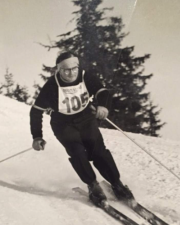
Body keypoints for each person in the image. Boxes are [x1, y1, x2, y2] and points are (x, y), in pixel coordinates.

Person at [30, 51, 134, 206]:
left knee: (98, 151)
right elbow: (36, 111)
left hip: (86, 120)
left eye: (74, 68)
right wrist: (37, 136)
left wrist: (103, 106)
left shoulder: (86, 77)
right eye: (66, 70)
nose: (71, 73)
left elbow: (103, 92)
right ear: (59, 70)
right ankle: (93, 185)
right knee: (77, 152)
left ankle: (116, 183)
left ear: (78, 67)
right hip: (63, 125)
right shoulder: (51, 86)